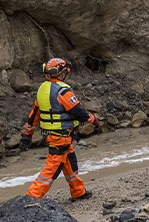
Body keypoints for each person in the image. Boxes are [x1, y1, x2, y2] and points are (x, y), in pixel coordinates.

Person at [20, 58, 98, 200]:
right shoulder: (63, 91)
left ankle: (78, 192)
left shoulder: (43, 90)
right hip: (60, 136)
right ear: (61, 74)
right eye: (67, 72)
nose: (68, 74)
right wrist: (93, 120)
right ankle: (31, 197)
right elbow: (79, 112)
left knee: (70, 161)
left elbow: (34, 115)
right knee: (52, 169)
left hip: (53, 135)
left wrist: (27, 134)